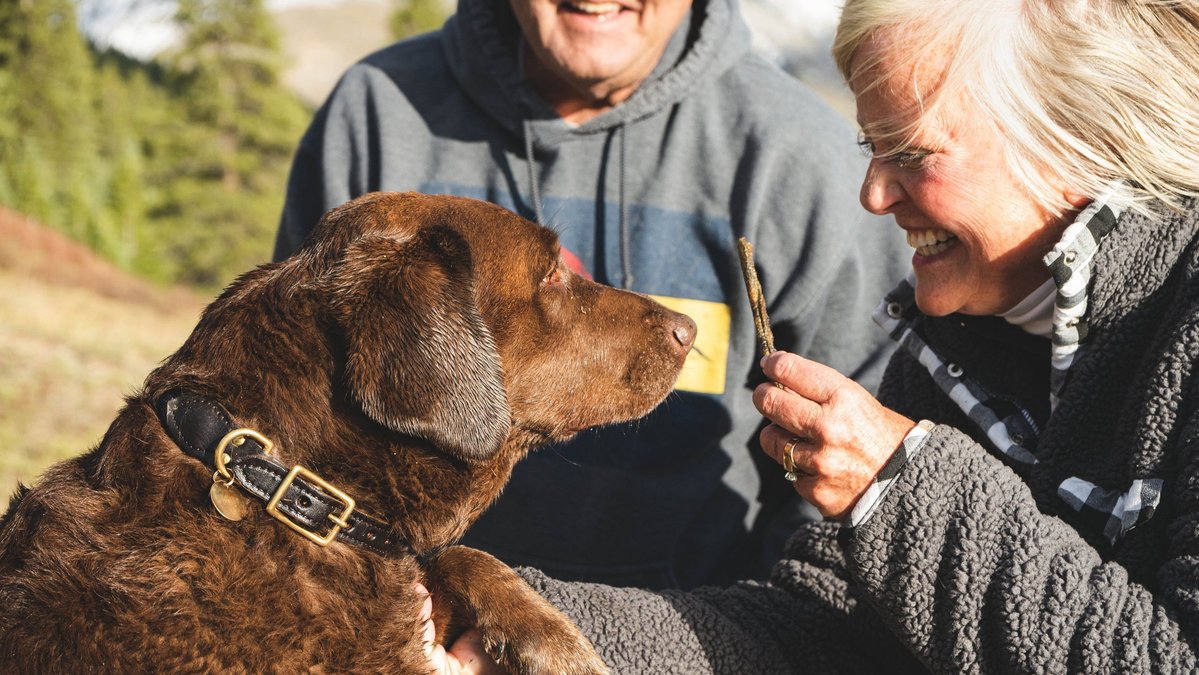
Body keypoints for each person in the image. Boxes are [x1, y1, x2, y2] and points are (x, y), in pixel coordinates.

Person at [429, 0, 1199, 671]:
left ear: (1075, 135)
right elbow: (820, 635)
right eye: (872, 147)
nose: (871, 193)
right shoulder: (953, 347)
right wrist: (514, 631)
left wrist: (899, 488)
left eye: (912, 151)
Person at [274, 0, 907, 591]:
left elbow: (848, 485)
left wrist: (750, 642)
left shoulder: (797, 156)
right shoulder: (380, 113)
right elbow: (289, 414)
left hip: (697, 633)